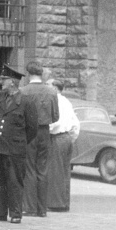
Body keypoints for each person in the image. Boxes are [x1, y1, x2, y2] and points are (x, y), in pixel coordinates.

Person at [0, 65, 32, 224]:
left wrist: (17, 141)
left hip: (14, 149)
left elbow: (31, 129)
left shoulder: (26, 102)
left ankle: (15, 213)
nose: (1, 83)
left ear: (12, 82)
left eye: (4, 80)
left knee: (14, 180)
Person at [20, 61, 60, 217]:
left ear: (29, 74)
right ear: (41, 74)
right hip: (45, 132)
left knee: (29, 168)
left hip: (29, 133)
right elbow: (56, 116)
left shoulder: (24, 91)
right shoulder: (51, 91)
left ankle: (29, 207)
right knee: (42, 169)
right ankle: (42, 209)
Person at [47, 79, 80, 212]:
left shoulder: (56, 101)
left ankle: (56, 204)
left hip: (57, 137)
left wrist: (45, 130)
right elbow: (76, 124)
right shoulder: (66, 101)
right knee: (64, 171)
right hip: (66, 138)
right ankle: (64, 202)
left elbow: (55, 122)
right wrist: (71, 138)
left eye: (48, 85)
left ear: (55, 88)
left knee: (55, 171)